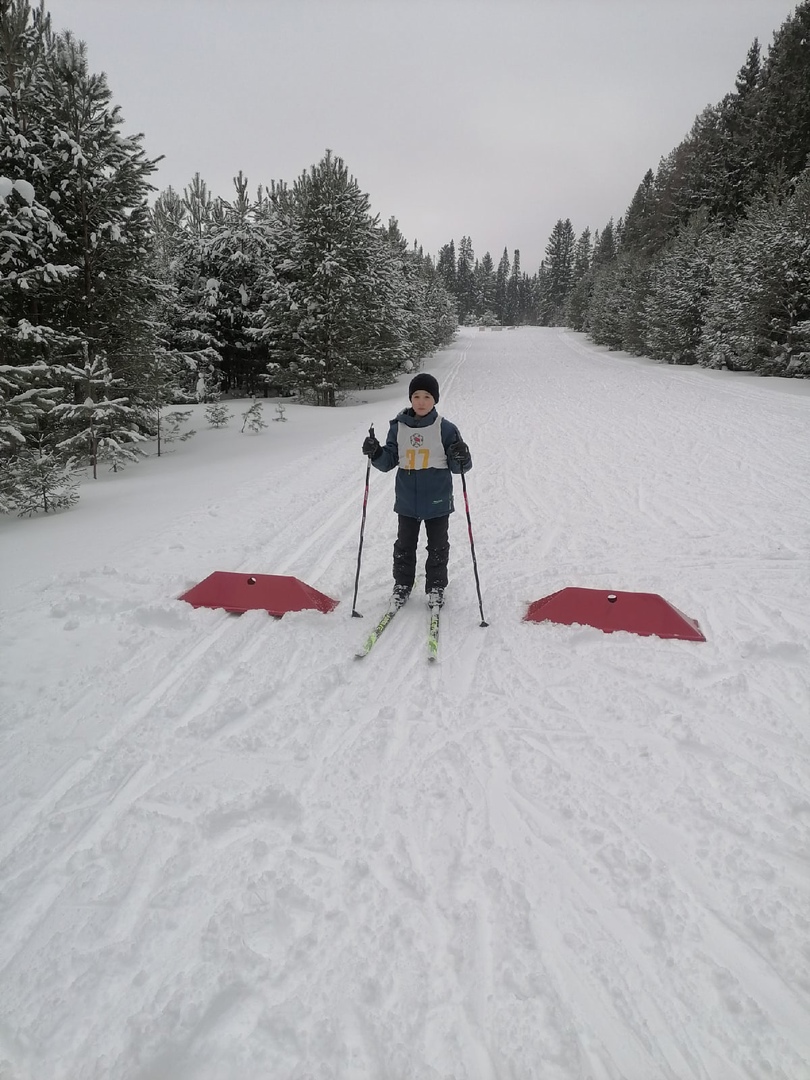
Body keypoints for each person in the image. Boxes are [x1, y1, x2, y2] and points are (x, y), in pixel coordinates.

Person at [362, 373, 472, 609]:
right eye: (416, 396)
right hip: (407, 501)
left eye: (427, 397)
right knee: (404, 545)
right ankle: (402, 584)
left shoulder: (446, 428)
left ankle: (436, 586)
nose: (421, 401)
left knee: (438, 546)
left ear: (435, 400)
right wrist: (376, 452)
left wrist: (462, 455)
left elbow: (458, 468)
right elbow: (389, 460)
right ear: (411, 398)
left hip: (438, 499)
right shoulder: (398, 427)